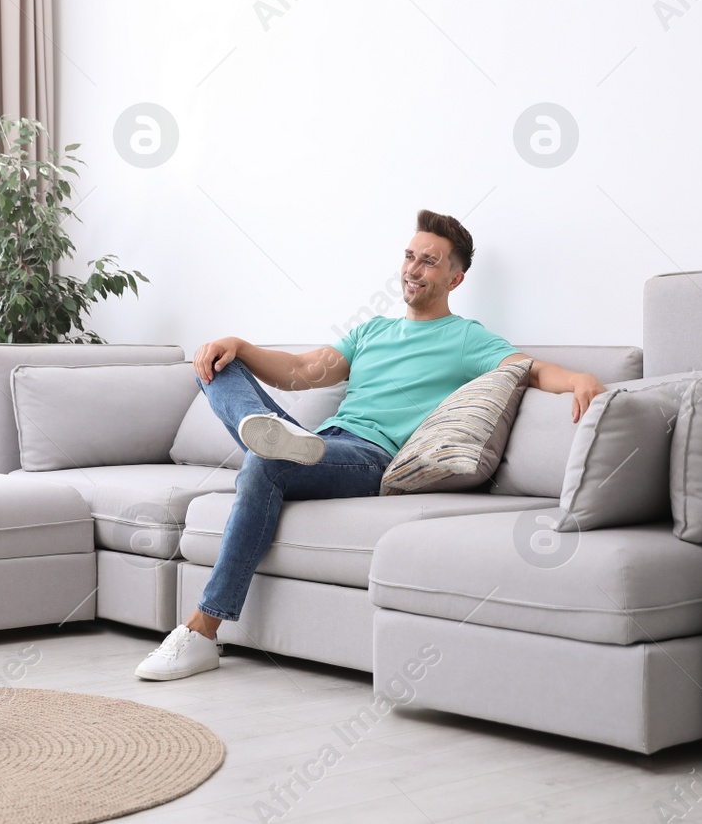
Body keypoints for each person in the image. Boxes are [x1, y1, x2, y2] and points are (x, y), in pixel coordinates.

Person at [135, 209, 607, 680]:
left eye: (429, 261)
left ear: (455, 278)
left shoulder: (466, 338)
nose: (413, 268)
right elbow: (301, 371)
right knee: (216, 366)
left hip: (370, 457)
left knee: (265, 464)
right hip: (321, 443)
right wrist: (237, 344)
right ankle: (259, 428)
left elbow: (531, 369)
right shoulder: (372, 332)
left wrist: (580, 378)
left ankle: (202, 631)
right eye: (409, 256)